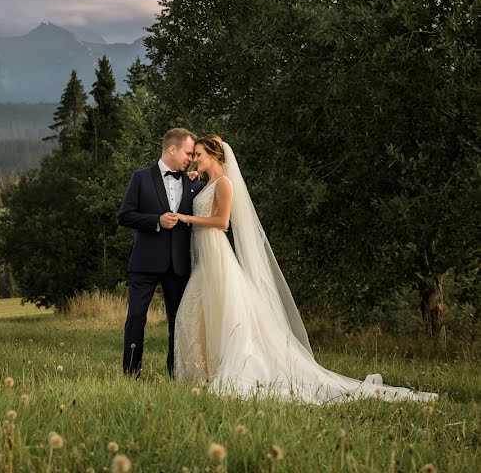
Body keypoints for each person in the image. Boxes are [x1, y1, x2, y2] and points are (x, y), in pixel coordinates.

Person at [173, 134, 437, 403]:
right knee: (196, 312)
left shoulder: (225, 184)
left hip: (217, 253)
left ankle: (230, 368)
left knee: (219, 309)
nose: (195, 160)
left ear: (215, 156)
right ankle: (204, 371)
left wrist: (186, 217)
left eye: (199, 155)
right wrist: (194, 182)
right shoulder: (206, 183)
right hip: (204, 254)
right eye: (193, 156)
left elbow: (222, 222)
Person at [118, 128, 204, 377]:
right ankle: (131, 373)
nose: (191, 158)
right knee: (135, 317)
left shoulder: (193, 182)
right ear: (172, 149)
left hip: (178, 265)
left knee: (178, 322)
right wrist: (156, 220)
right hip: (144, 263)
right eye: (188, 152)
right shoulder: (141, 177)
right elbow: (125, 215)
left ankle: (174, 372)